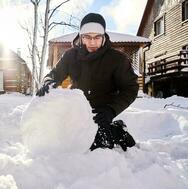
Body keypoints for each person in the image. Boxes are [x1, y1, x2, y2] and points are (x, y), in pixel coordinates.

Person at [36, 13, 138, 151]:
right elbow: (54, 75)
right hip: (77, 109)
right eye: (87, 37)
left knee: (98, 147)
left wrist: (111, 110)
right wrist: (47, 83)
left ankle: (117, 130)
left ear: (104, 37)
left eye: (97, 37)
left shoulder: (117, 59)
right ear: (81, 37)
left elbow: (130, 88)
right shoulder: (70, 56)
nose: (92, 42)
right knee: (65, 143)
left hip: (102, 112)